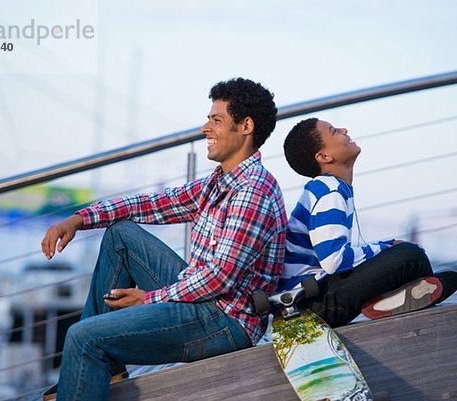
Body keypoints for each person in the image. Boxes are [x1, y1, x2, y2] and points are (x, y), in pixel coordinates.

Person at [40, 78, 287, 401]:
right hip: (206, 302)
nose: (205, 128)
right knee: (121, 235)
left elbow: (219, 277)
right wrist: (79, 219)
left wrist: (151, 298)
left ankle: (92, 361)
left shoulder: (252, 190)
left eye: (216, 120)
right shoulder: (219, 183)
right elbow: (153, 204)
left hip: (225, 321)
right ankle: (109, 366)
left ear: (245, 126)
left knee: (83, 337)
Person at [280, 117, 457, 327]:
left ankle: (388, 301)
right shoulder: (330, 191)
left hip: (315, 297)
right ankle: (388, 301)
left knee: (438, 275)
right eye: (334, 131)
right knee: (412, 256)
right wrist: (384, 247)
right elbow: (333, 260)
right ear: (324, 156)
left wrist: (385, 247)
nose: (344, 129)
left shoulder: (327, 189)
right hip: (316, 304)